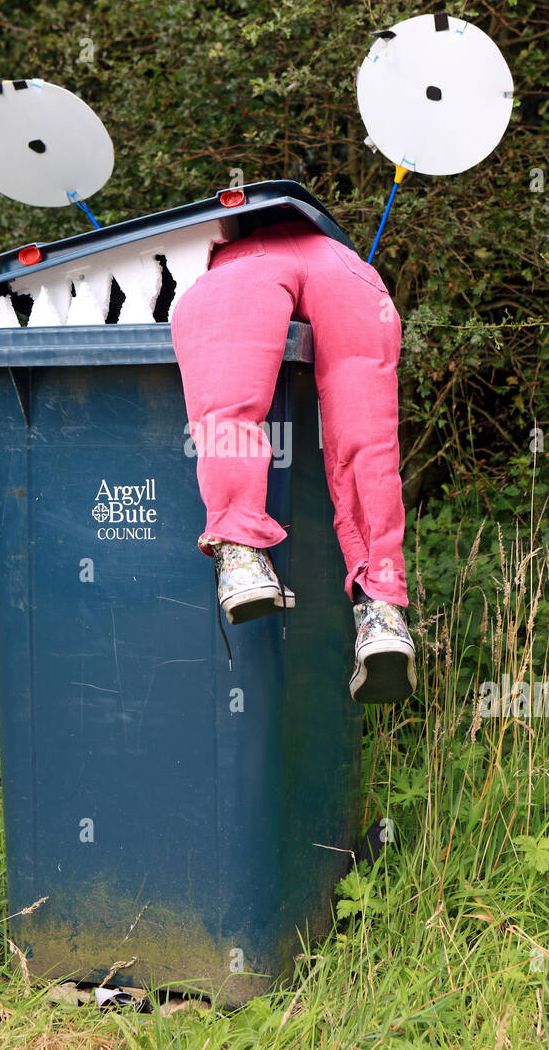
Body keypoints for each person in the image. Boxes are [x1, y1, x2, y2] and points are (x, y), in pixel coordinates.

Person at [170, 215, 416, 704]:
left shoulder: (229, 250)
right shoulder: (341, 253)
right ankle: (381, 609)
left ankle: (242, 556)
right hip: (348, 273)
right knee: (368, 442)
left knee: (231, 405)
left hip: (245, 267)